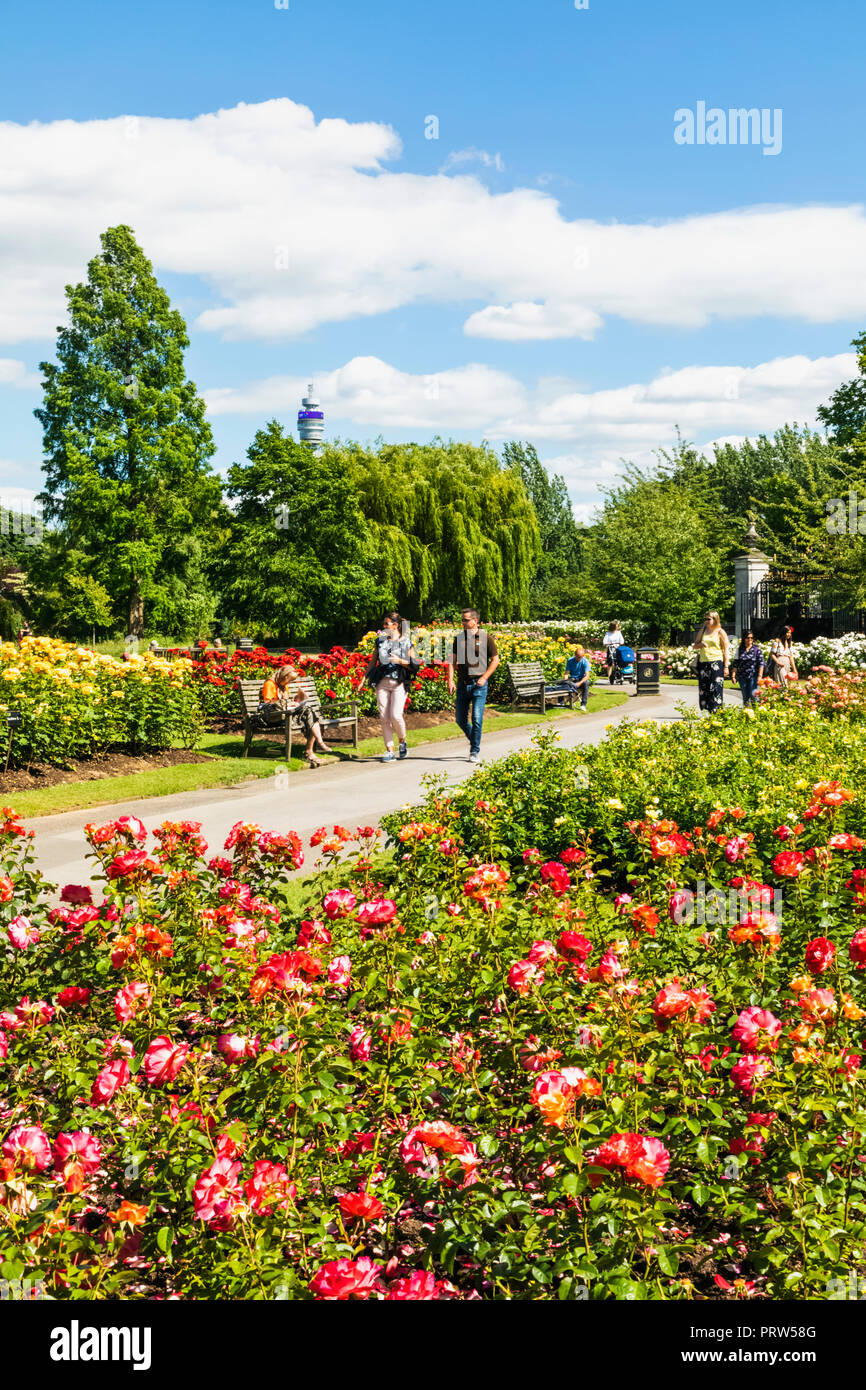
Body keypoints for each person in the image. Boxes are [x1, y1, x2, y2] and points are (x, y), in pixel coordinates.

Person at [445, 608, 500, 764]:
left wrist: (484, 677)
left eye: (466, 620)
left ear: (475, 621)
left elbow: (495, 660)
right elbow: (452, 660)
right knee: (460, 720)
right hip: (462, 684)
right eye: (462, 620)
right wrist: (450, 680)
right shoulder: (459, 639)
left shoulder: (486, 638)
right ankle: (475, 740)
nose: (463, 622)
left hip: (479, 685)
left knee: (476, 718)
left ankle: (474, 750)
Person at [365, 611, 418, 762]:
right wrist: (363, 678)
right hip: (382, 683)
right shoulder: (380, 641)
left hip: (399, 683)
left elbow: (414, 665)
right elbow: (372, 662)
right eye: (384, 624)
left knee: (395, 715)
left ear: (395, 626)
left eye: (386, 624)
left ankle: (402, 741)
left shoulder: (406, 642)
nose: (384, 626)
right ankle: (389, 750)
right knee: (384, 717)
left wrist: (399, 660)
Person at [258, 665, 332, 768]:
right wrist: (288, 704)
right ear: (284, 676)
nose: (288, 683)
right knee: (309, 715)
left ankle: (315, 746)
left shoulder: (284, 686)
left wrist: (295, 703)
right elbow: (268, 703)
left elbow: (285, 703)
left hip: (286, 715)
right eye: (288, 680)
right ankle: (311, 750)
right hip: (273, 717)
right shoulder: (269, 684)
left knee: (310, 714)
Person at [692, 610, 730, 714]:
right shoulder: (703, 630)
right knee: (704, 687)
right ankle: (706, 710)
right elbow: (695, 645)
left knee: (716, 687)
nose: (706, 621)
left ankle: (716, 710)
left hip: (716, 662)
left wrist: (726, 666)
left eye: (708, 619)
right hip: (704, 662)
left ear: (715, 619)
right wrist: (701, 644)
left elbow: (726, 649)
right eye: (705, 619)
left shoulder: (720, 632)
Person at [732, 630, 765, 707]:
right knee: (745, 698)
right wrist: (733, 676)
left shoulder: (757, 649)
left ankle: (756, 713)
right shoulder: (739, 650)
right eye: (747, 637)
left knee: (754, 696)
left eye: (751, 638)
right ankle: (747, 715)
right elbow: (735, 664)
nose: (750, 639)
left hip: (754, 676)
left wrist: (760, 676)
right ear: (744, 638)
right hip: (742, 677)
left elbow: (761, 663)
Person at [564, 644, 591, 712]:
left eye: (581, 657)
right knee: (563, 684)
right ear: (575, 655)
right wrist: (566, 679)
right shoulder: (570, 661)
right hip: (573, 679)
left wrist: (579, 683)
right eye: (578, 657)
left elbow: (587, 676)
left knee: (586, 683)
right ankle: (562, 702)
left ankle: (583, 704)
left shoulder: (585, 661)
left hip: (581, 679)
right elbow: (566, 673)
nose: (579, 658)